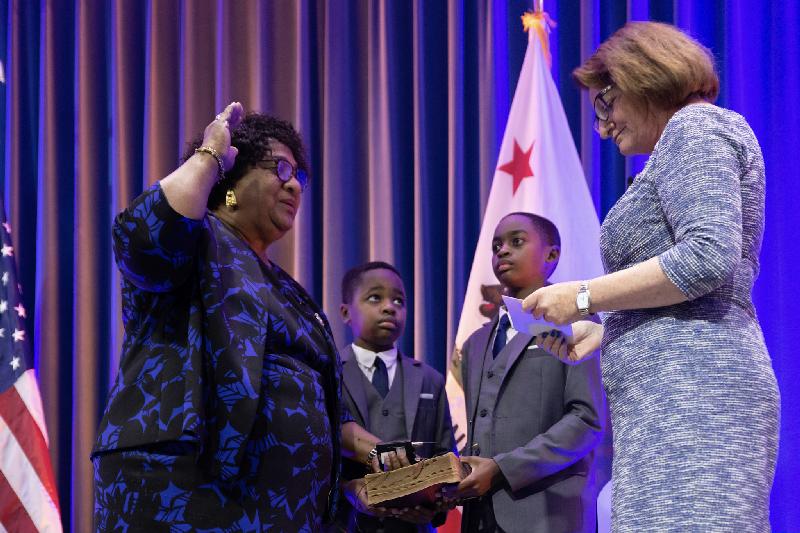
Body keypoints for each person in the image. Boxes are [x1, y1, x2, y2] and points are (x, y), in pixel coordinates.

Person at [523, 22, 780, 532]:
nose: (602, 126)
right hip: (672, 401)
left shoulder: (695, 128)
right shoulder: (681, 143)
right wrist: (605, 328)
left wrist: (579, 297)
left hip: (698, 397)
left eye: (605, 103)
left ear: (642, 78)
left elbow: (708, 256)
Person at [92, 103, 387, 531]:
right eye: (280, 170)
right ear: (231, 179)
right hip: (183, 496)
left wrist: (388, 459)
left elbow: (328, 412)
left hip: (279, 511)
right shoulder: (197, 240)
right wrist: (210, 154)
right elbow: (144, 236)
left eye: (300, 178)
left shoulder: (289, 290)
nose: (295, 187)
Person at [450, 212, 605, 533]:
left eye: (516, 242)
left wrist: (503, 469)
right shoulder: (476, 343)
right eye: (496, 246)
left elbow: (586, 420)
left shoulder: (576, 326)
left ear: (551, 254)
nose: (502, 251)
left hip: (548, 513)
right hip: (480, 517)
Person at [332, 261, 457, 532]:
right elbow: (315, 458)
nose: (390, 307)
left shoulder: (430, 379)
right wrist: (347, 491)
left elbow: (445, 455)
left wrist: (435, 505)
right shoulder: (327, 374)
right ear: (345, 312)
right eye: (375, 297)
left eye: (399, 300)